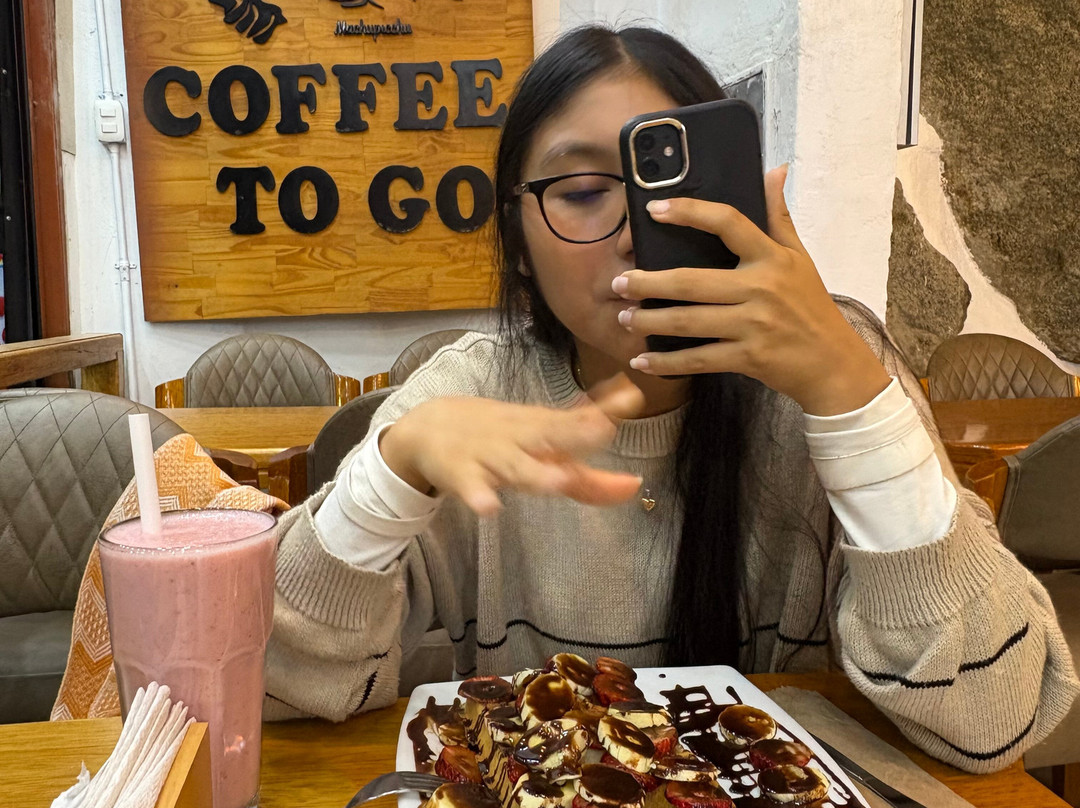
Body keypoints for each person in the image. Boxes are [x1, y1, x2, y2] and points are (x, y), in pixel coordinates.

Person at [264, 24, 1078, 773]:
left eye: (669, 183)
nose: (633, 232)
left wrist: (856, 404)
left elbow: (992, 721)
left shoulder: (834, 381)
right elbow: (272, 683)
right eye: (583, 189)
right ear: (518, 243)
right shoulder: (468, 399)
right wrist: (387, 479)